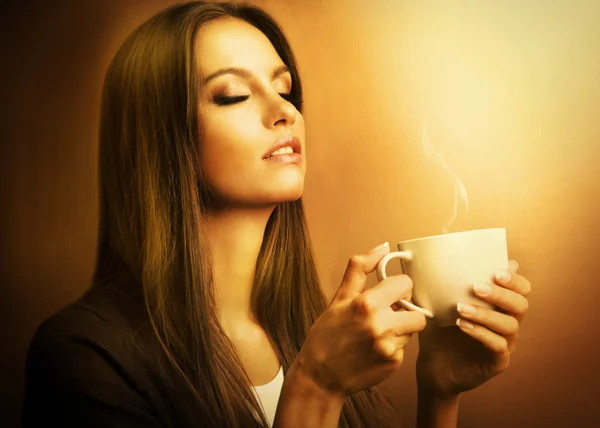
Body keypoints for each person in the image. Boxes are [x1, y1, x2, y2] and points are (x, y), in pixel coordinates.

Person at [21, 2, 532, 427]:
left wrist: (439, 394)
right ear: (160, 139)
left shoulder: (311, 328)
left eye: (284, 89)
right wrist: (315, 388)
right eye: (233, 95)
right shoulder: (83, 356)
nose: (284, 110)